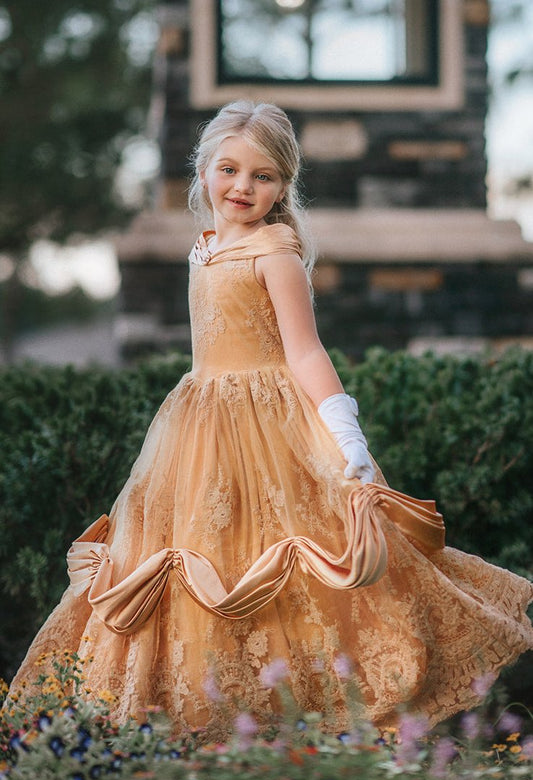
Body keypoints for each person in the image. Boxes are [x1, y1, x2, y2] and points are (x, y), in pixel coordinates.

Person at [5, 101, 533, 737]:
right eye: (228, 169)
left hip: (271, 425)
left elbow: (305, 351)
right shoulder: (205, 248)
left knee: (293, 559)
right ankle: (207, 707)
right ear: (203, 170)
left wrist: (344, 432)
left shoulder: (274, 253)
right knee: (202, 554)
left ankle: (300, 707)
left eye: (263, 176)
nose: (242, 187)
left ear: (283, 186)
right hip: (199, 425)